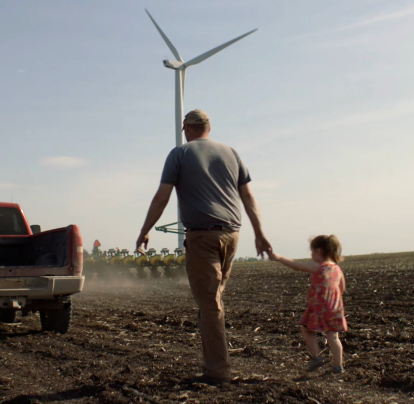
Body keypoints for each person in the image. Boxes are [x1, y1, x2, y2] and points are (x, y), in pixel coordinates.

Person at [136, 109, 272, 384]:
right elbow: (248, 195)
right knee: (212, 301)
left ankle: (218, 371)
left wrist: (145, 230)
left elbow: (162, 196)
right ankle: (214, 360)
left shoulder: (180, 154)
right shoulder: (231, 153)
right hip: (232, 235)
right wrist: (260, 233)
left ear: (186, 127)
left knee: (210, 305)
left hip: (202, 237)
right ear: (209, 127)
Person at [269, 235, 347, 374]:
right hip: (335, 308)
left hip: (319, 306)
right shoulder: (337, 269)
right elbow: (342, 288)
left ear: (319, 251)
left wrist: (278, 257)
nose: (311, 255)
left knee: (306, 329)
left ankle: (317, 357)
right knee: (333, 337)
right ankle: (337, 367)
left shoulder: (318, 266)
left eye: (312, 251)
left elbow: (297, 266)